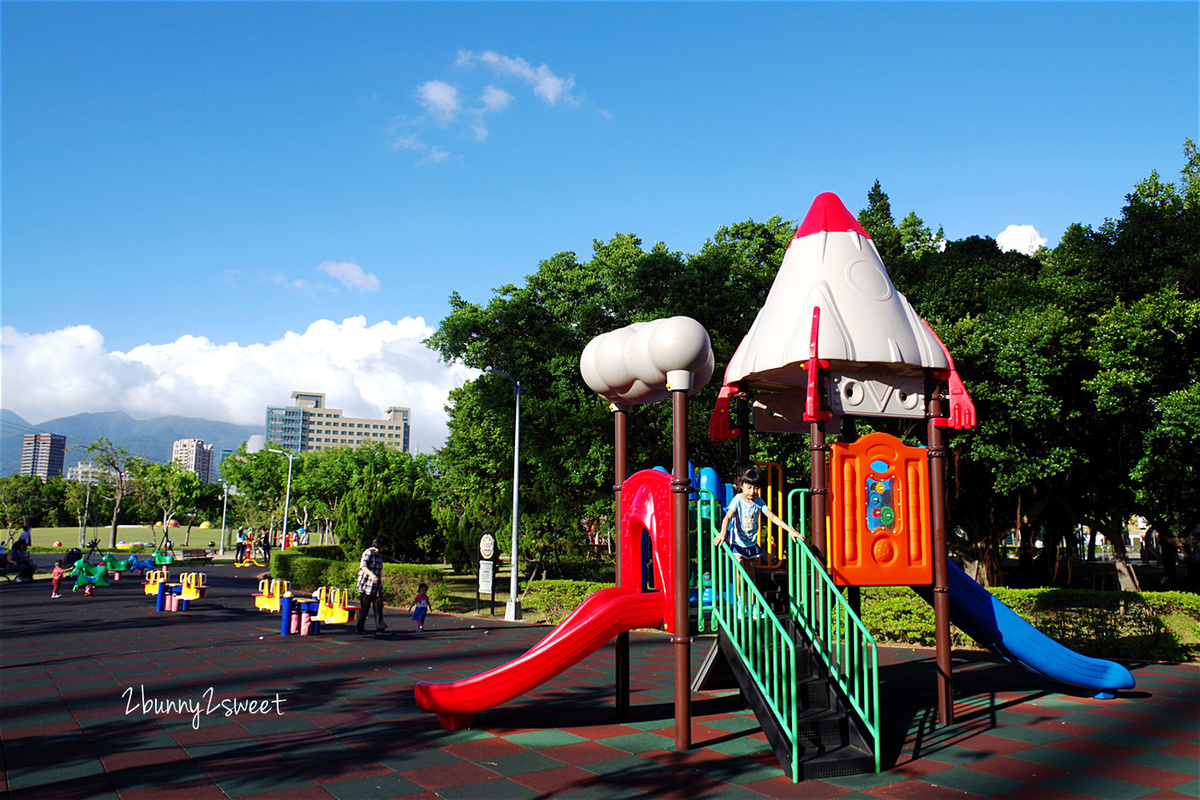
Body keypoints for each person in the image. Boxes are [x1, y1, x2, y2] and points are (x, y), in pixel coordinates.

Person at [715, 467, 801, 588]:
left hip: (751, 542)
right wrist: (723, 532)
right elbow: (727, 517)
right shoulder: (738, 499)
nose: (752, 491)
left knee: (751, 573)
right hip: (738, 541)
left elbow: (773, 517)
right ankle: (739, 600)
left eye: (755, 488)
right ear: (742, 485)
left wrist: (791, 530)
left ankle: (753, 602)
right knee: (739, 566)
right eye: (749, 487)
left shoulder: (759, 502)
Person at [356, 537, 388, 635]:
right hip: (367, 585)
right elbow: (363, 566)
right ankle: (360, 627)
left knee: (378, 606)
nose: (385, 548)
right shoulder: (368, 552)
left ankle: (380, 628)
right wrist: (372, 575)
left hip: (376, 586)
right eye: (384, 546)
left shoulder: (379, 555)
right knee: (364, 607)